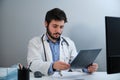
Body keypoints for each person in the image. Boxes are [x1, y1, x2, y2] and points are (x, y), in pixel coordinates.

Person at [27, 8, 98, 76]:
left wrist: (87, 68)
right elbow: (33, 64)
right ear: (46, 24)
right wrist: (53, 66)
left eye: (61, 27)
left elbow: (75, 65)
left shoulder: (69, 43)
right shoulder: (34, 42)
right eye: (55, 26)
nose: (58, 31)